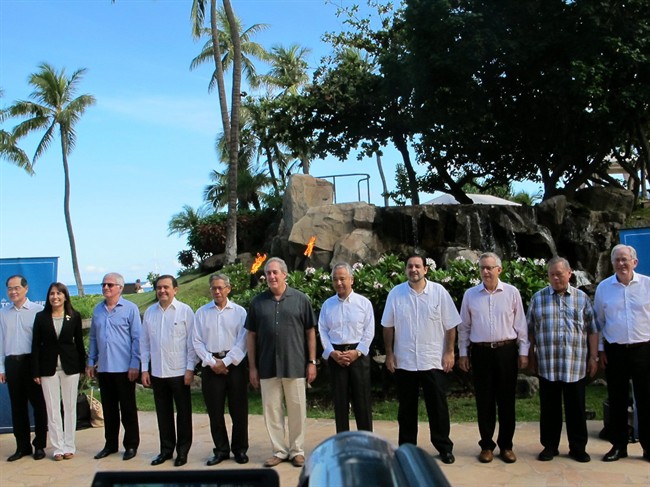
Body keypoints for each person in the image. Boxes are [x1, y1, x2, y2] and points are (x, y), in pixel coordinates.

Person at [381, 255, 461, 464]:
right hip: (405, 361)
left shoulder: (439, 293)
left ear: (426, 269)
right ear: (405, 269)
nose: (413, 269)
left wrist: (450, 352)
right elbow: (388, 326)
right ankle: (407, 450)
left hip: (433, 359)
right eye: (410, 266)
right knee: (406, 410)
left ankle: (444, 447)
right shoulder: (395, 294)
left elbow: (451, 324)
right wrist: (389, 354)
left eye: (417, 266)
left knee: (438, 408)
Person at [246, 257, 317, 468]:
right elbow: (251, 336)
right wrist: (252, 367)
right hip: (267, 366)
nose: (271, 276)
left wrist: (312, 361)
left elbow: (310, 332)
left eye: (275, 272)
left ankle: (297, 451)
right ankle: (279, 450)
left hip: (294, 364)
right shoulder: (257, 302)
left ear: (285, 274)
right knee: (272, 411)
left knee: (297, 410)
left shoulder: (301, 299)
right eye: (268, 273)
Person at [458, 252, 529, 464]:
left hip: (506, 351)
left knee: (507, 400)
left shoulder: (512, 292)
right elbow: (464, 328)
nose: (486, 272)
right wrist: (463, 353)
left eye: (490, 268)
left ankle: (506, 446)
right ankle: (487, 445)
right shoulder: (470, 295)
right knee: (484, 400)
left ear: (499, 269)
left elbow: (521, 325)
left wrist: (523, 352)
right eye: (482, 268)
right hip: (481, 353)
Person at [527, 257, 598, 463]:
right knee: (549, 409)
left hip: (574, 364)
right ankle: (549, 446)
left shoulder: (582, 298)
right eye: (552, 274)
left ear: (569, 273)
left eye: (560, 274)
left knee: (576, 408)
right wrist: (531, 356)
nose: (556, 278)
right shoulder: (538, 298)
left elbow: (593, 330)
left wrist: (593, 357)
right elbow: (530, 331)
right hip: (547, 364)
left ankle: (578, 447)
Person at [594, 244, 650, 463]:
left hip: (644, 349)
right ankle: (619, 446)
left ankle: (648, 446)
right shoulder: (604, 288)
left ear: (634, 262)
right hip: (615, 351)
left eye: (625, 259)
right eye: (617, 260)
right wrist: (600, 351)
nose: (621, 264)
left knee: (646, 399)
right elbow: (598, 322)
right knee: (617, 399)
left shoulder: (647, 284)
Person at [193, 273, 249, 466]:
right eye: (214, 288)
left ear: (228, 289)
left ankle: (240, 449)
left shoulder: (240, 312)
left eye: (220, 288)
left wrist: (225, 362)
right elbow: (197, 341)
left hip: (235, 366)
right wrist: (212, 362)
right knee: (215, 412)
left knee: (239, 411)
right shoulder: (201, 313)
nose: (217, 291)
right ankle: (221, 450)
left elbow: (243, 340)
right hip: (211, 367)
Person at [140, 275, 197, 467]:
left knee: (183, 414)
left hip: (179, 371)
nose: (162, 291)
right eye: (158, 288)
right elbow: (144, 343)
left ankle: (182, 451)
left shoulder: (185, 311)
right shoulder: (149, 313)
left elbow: (191, 342)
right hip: (157, 372)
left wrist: (190, 369)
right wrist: (144, 370)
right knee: (163, 414)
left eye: (166, 287)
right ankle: (166, 450)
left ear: (175, 290)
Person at [86, 272, 141, 461]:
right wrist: (90, 362)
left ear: (119, 287)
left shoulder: (130, 309)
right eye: (103, 285)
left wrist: (135, 364)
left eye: (110, 285)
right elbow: (93, 337)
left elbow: (137, 339)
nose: (106, 288)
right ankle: (110, 444)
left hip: (125, 368)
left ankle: (131, 445)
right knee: (109, 410)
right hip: (105, 368)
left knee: (127, 409)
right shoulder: (97, 310)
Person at [31, 282, 85, 461]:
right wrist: (36, 371)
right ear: (49, 297)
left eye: (59, 293)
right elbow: (36, 346)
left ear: (65, 296)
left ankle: (69, 445)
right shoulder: (41, 317)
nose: (55, 297)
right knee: (52, 409)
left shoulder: (74, 316)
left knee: (70, 407)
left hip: (71, 367)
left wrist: (83, 367)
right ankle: (57, 447)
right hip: (48, 369)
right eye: (52, 294)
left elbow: (78, 343)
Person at [318, 262, 375, 433]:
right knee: (340, 402)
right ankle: (343, 442)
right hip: (336, 356)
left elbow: (369, 330)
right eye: (335, 279)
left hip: (358, 355)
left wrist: (358, 352)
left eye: (342, 279)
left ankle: (366, 442)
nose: (339, 283)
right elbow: (322, 330)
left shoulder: (363, 303)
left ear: (352, 280)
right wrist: (331, 353)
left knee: (362, 402)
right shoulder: (327, 305)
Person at [0, 275, 48, 462]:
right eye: (9, 288)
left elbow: (44, 343)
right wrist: (2, 368)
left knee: (39, 406)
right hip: (12, 363)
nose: (13, 292)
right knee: (17, 407)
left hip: (32, 364)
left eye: (16, 288)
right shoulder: (3, 313)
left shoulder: (39, 311)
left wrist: (41, 368)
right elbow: (1, 342)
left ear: (26, 289)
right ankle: (22, 447)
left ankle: (40, 446)